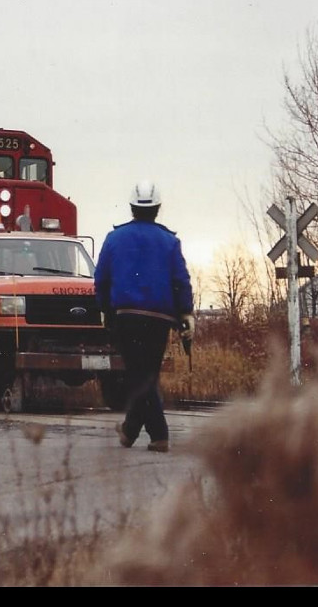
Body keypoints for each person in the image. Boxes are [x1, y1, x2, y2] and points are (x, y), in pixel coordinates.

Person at [94, 180, 194, 453]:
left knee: (139, 375)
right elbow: (181, 280)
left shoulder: (114, 238)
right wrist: (186, 312)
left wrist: (104, 308)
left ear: (131, 207)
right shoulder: (170, 241)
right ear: (158, 208)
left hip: (126, 316)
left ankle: (158, 435)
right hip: (160, 318)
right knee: (146, 373)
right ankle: (130, 431)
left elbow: (101, 277)